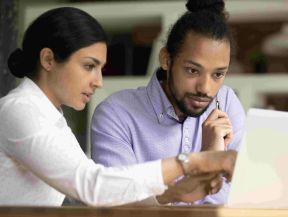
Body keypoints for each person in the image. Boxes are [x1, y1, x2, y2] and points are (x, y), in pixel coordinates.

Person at [0, 7, 237, 206]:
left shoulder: (51, 118)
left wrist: (174, 193)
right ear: (48, 60)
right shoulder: (19, 110)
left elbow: (105, 191)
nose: (98, 82)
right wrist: (190, 162)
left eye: (100, 69)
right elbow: (91, 184)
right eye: (88, 66)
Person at [91, 0, 246, 205]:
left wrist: (215, 158)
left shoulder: (226, 102)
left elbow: (239, 197)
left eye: (218, 74)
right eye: (193, 71)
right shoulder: (115, 114)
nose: (206, 89)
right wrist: (208, 161)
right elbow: (119, 204)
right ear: (166, 59)